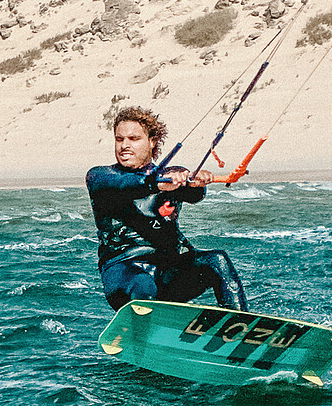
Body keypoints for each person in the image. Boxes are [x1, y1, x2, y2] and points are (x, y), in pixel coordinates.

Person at [85, 106, 247, 312]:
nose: (124, 145)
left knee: (217, 261)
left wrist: (197, 183)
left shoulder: (172, 175)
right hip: (124, 272)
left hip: (169, 271)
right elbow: (130, 184)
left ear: (152, 141)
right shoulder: (101, 177)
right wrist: (159, 184)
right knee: (144, 286)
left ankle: (241, 326)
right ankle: (141, 335)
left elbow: (192, 195)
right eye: (119, 139)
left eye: (133, 139)